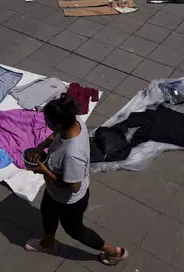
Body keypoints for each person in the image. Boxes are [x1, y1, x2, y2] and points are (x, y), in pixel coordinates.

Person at [24, 94, 129, 266]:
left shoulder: (72, 155)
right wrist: (39, 147)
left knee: (76, 231)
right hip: (54, 193)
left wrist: (44, 170)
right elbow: (54, 137)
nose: (46, 124)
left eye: (47, 121)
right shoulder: (74, 121)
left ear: (58, 124)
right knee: (47, 211)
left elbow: (72, 186)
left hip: (70, 201)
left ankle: (114, 252)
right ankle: (47, 243)